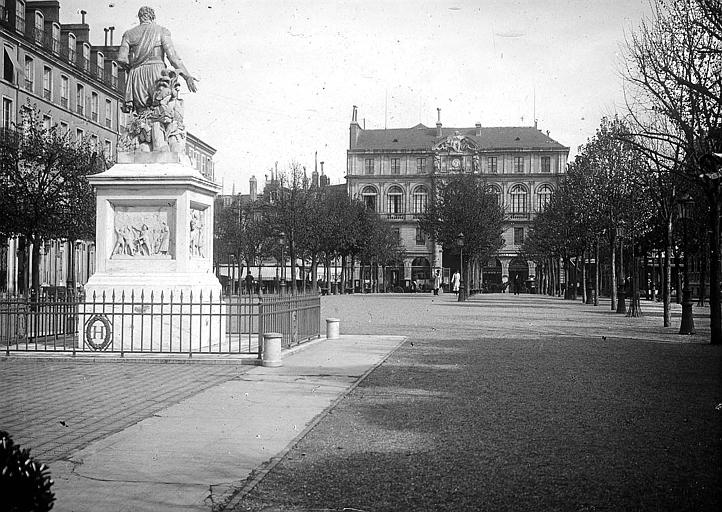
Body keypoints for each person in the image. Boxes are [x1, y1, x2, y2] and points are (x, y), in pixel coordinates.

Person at [117, 6, 198, 115]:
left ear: (140, 17)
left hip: (137, 74)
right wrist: (187, 76)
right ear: (152, 17)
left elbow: (122, 59)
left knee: (142, 114)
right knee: (161, 110)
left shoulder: (128, 34)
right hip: (157, 72)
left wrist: (131, 68)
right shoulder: (162, 31)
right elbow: (173, 58)